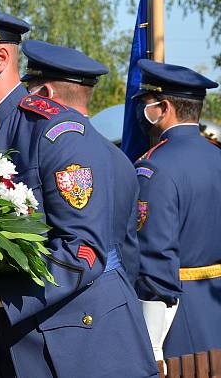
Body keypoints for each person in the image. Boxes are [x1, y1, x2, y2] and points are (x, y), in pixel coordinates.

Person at [0, 5, 157, 378]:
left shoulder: (58, 135)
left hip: (83, 347)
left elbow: (81, 251)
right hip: (19, 345)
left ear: (0, 58)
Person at [21, 39, 142, 282]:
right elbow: (128, 249)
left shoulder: (59, 152)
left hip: (70, 302)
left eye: (29, 91)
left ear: (45, 94)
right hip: (114, 297)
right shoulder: (120, 157)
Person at [132, 59, 221, 361]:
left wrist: (151, 342)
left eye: (146, 104)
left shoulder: (154, 166)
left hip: (178, 319)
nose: (143, 113)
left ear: (164, 108)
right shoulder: (217, 156)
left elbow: (156, 258)